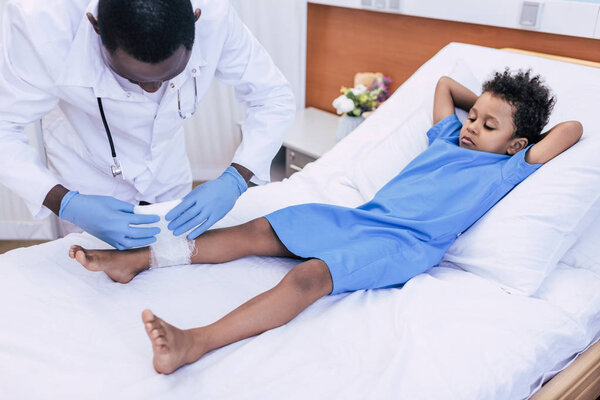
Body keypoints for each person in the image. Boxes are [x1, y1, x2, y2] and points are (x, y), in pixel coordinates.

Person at [68, 69, 583, 374]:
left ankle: (194, 342)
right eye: (473, 117)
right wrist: (485, 111)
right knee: (261, 227)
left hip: (406, 242)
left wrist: (512, 134)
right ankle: (138, 259)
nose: (472, 126)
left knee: (309, 276)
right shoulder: (447, 136)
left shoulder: (506, 167)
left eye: (488, 125)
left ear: (518, 144)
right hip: (362, 217)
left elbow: (572, 128)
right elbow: (445, 84)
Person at [0, 0, 295, 249]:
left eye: (169, 76)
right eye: (133, 79)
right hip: (84, 171)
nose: (152, 92)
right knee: (93, 276)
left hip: (166, 167)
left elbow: (273, 97)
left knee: (172, 257)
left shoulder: (214, 14)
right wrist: (64, 201)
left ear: (196, 21)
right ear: (95, 26)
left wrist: (236, 179)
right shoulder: (42, 25)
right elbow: (3, 129)